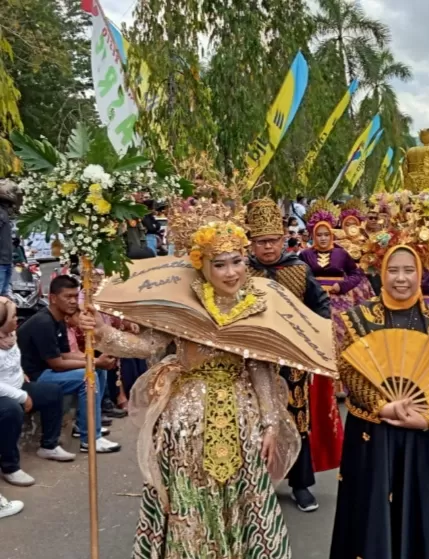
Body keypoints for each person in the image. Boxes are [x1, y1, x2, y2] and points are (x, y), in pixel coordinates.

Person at [80, 202, 329, 558]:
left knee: (243, 499)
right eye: (219, 264)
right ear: (202, 264)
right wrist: (102, 330)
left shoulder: (258, 303)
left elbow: (259, 367)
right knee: (190, 496)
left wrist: (271, 422)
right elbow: (147, 345)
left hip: (244, 419)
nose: (230, 273)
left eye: (237, 261)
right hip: (185, 422)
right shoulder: (179, 303)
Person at [330, 245, 429, 559]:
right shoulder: (359, 319)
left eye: (409, 270)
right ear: (381, 273)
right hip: (372, 435)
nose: (401, 279)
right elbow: (350, 370)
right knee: (369, 513)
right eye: (393, 271)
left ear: (421, 274)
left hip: (425, 438)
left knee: (425, 514)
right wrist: (381, 406)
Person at [246, 198, 330, 512]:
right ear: (251, 242)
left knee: (295, 420)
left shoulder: (298, 269)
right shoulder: (240, 270)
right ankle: (256, 481)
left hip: (290, 361)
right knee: (254, 420)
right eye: (260, 241)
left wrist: (312, 342)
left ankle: (300, 484)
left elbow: (321, 307)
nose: (267, 247)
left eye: (273, 241)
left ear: (284, 239)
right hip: (250, 358)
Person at [300, 216, 376, 473]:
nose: (322, 239)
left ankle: (342, 385)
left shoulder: (342, 255)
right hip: (314, 304)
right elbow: (298, 277)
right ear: (313, 236)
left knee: (341, 341)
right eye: (318, 235)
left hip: (338, 303)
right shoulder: (304, 255)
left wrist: (341, 286)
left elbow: (357, 274)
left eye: (326, 235)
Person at [17, 276, 121, 453]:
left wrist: (94, 360)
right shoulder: (43, 322)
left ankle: (84, 425)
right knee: (89, 375)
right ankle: (90, 438)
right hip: (34, 376)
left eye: (75, 296)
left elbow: (66, 353)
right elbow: (57, 364)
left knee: (98, 371)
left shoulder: (59, 320)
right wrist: (95, 363)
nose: (73, 301)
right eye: (68, 297)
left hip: (48, 369)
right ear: (53, 298)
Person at [0, 296, 75, 487]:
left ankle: (49, 446)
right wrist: (22, 396)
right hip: (4, 394)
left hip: (15, 385)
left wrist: (21, 373)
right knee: (11, 410)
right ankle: (10, 467)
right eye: (13, 317)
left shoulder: (9, 336)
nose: (16, 320)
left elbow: (11, 364)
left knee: (52, 392)